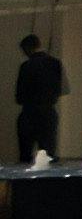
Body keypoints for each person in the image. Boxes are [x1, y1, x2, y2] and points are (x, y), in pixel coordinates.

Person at [13, 33, 60, 167]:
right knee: (48, 155)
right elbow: (63, 89)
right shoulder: (55, 64)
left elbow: (19, 97)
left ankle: (23, 186)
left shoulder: (26, 67)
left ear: (27, 48)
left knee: (25, 155)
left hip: (29, 114)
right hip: (48, 113)